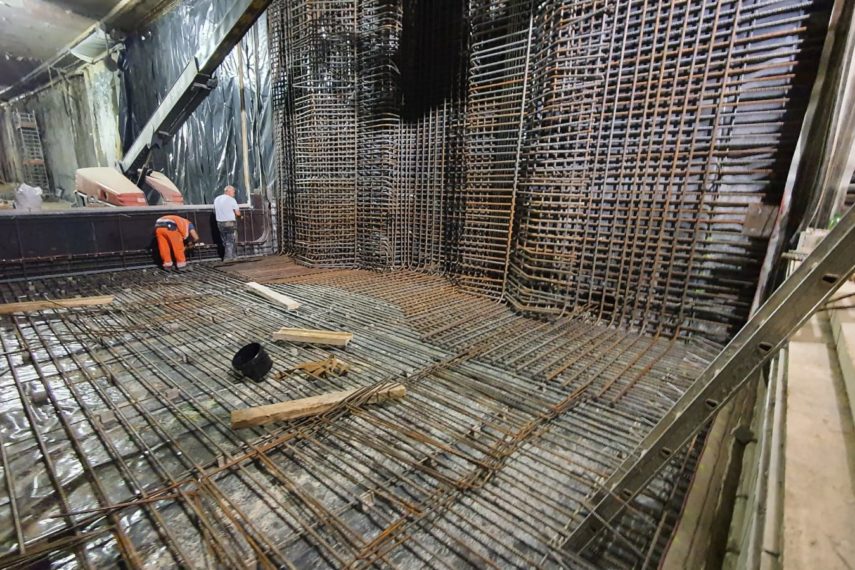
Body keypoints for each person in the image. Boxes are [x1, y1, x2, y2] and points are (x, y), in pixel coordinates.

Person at [214, 185, 241, 260]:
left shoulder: (217, 199)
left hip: (219, 223)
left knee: (224, 241)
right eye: (233, 192)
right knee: (231, 240)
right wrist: (240, 215)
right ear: (228, 191)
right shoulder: (231, 199)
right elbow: (238, 213)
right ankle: (228, 258)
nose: (234, 193)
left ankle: (233, 256)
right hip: (229, 222)